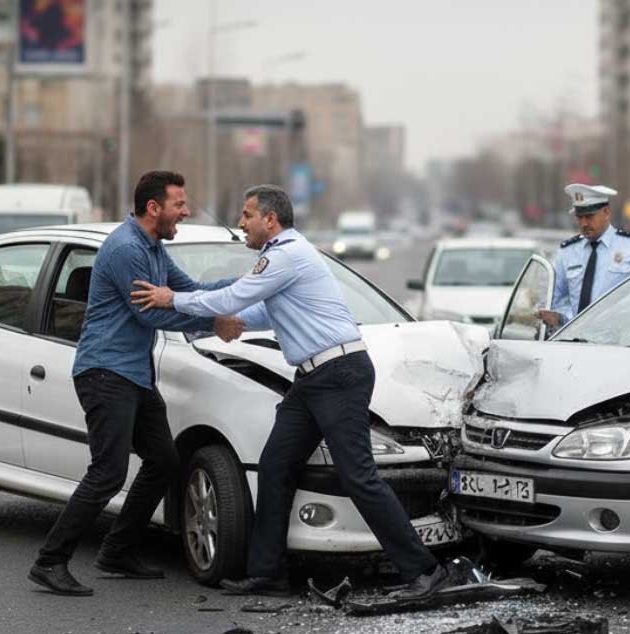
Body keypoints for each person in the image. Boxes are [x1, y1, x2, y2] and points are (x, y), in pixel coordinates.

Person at [130, 184, 451, 601]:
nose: (241, 223)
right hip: (312, 380)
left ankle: (424, 571)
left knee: (358, 476)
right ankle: (267, 574)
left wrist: (174, 298)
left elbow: (235, 294)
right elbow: (261, 310)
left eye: (247, 216)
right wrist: (218, 323)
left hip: (338, 374)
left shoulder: (286, 255)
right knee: (275, 466)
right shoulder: (284, 256)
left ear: (271, 220)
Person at [28, 170, 243, 596]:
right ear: (153, 208)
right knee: (107, 472)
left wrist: (250, 282)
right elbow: (153, 313)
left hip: (133, 375)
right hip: (105, 372)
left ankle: (117, 550)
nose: (185, 210)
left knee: (164, 460)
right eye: (179, 204)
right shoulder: (127, 249)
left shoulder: (154, 249)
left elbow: (192, 290)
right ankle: (50, 561)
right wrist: (214, 321)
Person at [538, 183, 630, 330]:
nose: (584, 223)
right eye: (579, 217)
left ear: (606, 212)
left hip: (620, 341)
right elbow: (552, 299)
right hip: (574, 339)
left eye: (589, 216)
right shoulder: (567, 252)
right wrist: (566, 318)